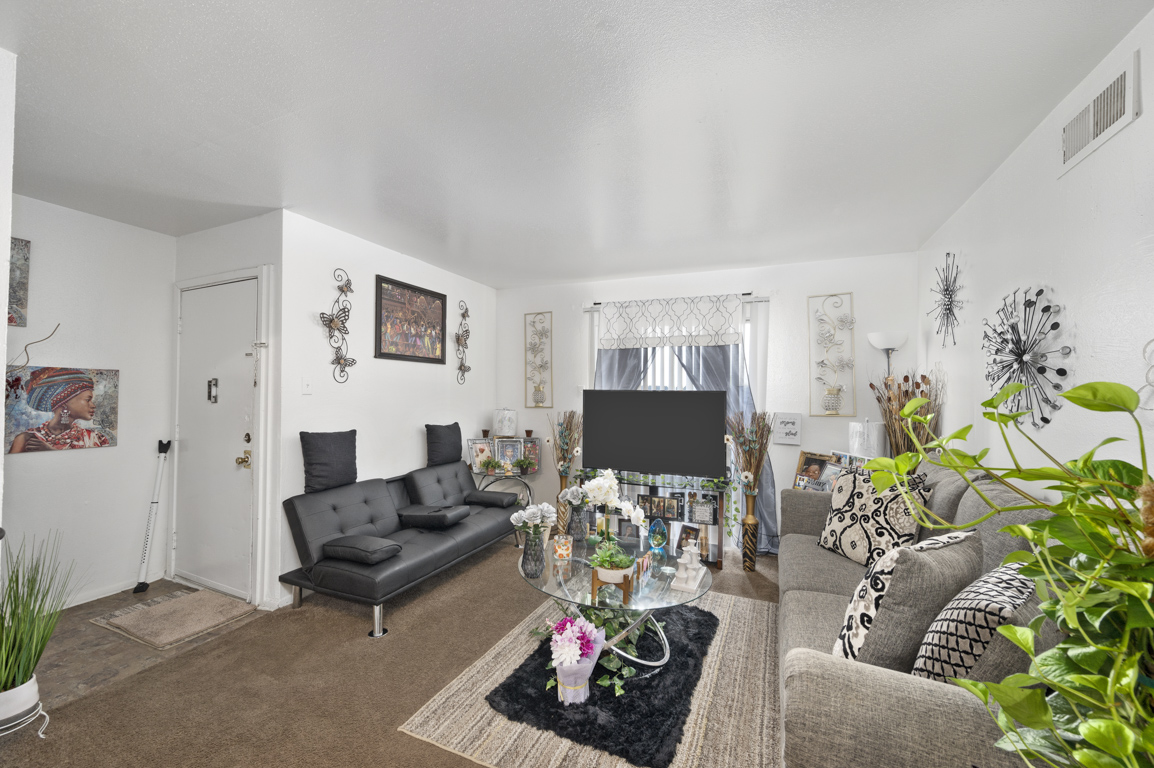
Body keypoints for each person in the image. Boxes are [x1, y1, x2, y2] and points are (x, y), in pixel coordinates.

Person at [9, 368, 111, 452]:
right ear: (65, 401)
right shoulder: (26, 439)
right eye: (88, 400)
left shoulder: (97, 438)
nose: (93, 406)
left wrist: (50, 450)